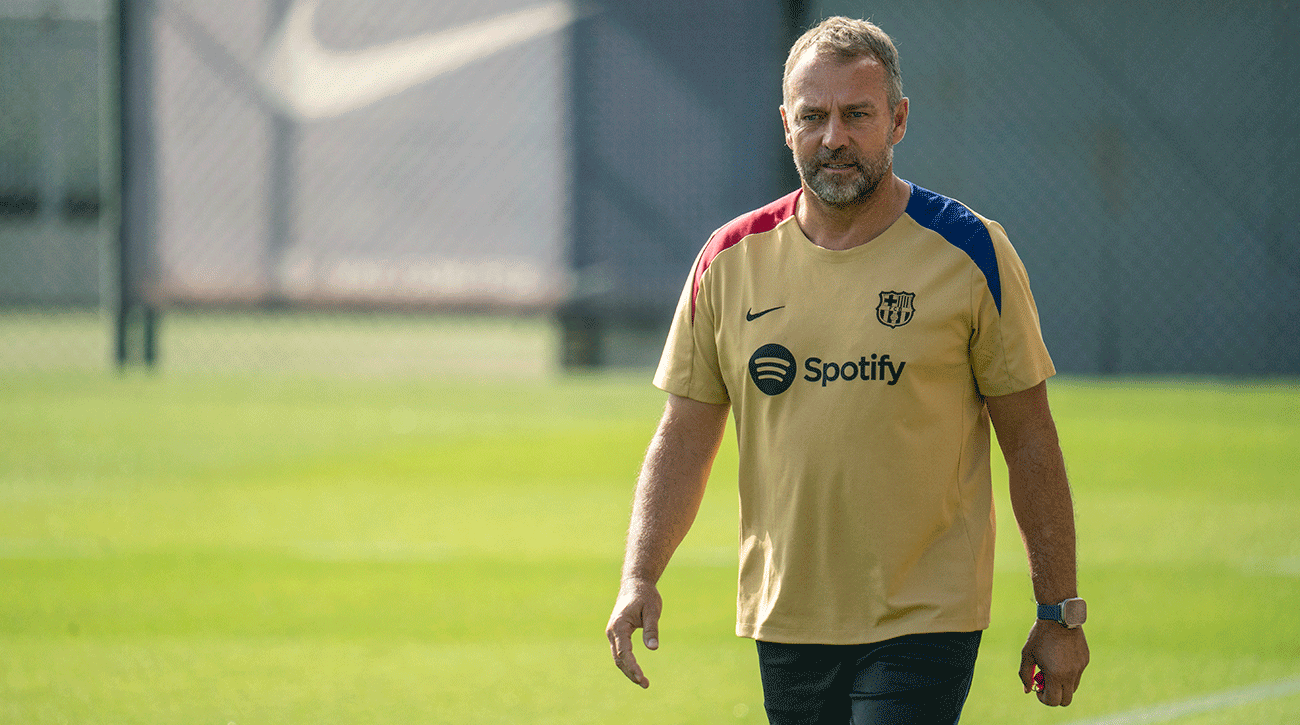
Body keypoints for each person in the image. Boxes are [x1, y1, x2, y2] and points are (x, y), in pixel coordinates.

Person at [605, 15, 1089, 724]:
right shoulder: (729, 259)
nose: (834, 137)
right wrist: (639, 572)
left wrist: (1060, 608)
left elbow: (1030, 437)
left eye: (856, 115)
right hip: (788, 613)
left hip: (925, 611)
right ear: (785, 124)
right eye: (814, 116)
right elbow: (683, 434)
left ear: (897, 120)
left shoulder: (970, 250)